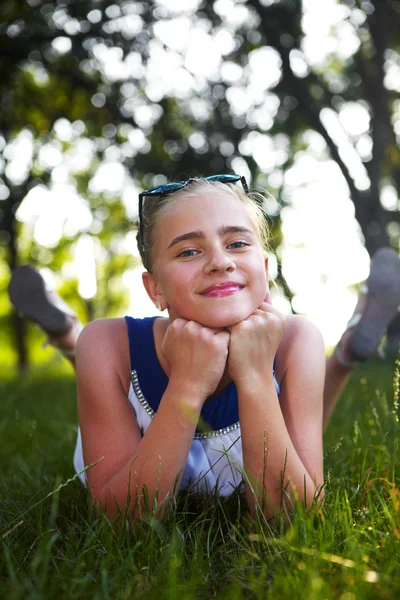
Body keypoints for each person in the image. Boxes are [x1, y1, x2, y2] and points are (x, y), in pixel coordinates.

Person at [8, 174, 400, 523]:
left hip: (275, 369)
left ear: (265, 270)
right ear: (155, 289)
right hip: (122, 371)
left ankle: (347, 352)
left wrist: (257, 375)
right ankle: (67, 334)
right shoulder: (106, 342)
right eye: (188, 251)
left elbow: (292, 517)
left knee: (303, 415)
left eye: (237, 243)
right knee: (89, 351)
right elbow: (124, 519)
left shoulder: (298, 338)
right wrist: (187, 385)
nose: (219, 261)